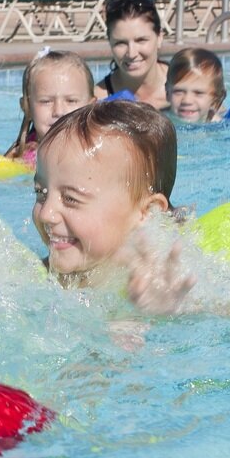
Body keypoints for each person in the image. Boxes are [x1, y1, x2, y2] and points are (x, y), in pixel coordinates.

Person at [32, 99, 191, 311]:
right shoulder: (39, 273)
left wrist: (169, 313)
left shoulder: (158, 280)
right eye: (41, 193)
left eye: (70, 198)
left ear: (147, 212)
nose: (46, 214)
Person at [2, 49, 96, 166]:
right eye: (46, 101)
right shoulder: (20, 160)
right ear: (27, 108)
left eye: (71, 101)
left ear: (91, 107)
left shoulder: (100, 151)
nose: (59, 111)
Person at [94, 0, 169, 109]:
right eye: (121, 43)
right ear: (110, 42)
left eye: (141, 40)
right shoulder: (99, 100)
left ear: (159, 38)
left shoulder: (188, 88)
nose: (132, 54)